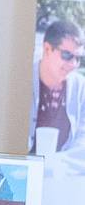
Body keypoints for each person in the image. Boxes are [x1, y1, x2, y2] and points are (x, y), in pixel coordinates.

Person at [32, 19, 85, 154]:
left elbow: (82, 144)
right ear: (47, 49)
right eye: (67, 55)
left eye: (78, 58)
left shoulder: (81, 88)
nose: (73, 64)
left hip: (64, 171)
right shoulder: (19, 81)